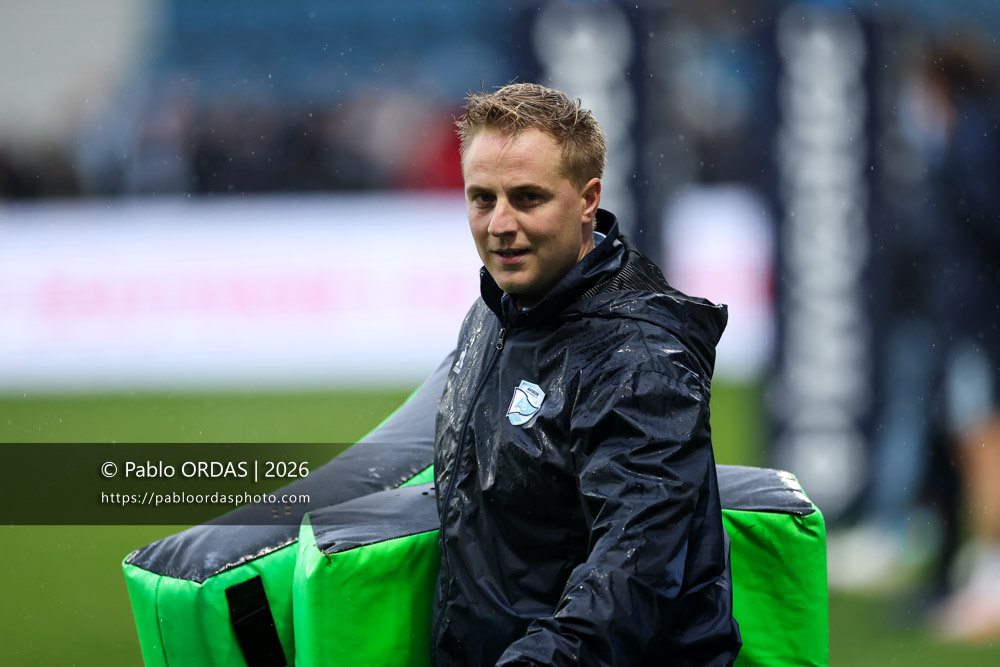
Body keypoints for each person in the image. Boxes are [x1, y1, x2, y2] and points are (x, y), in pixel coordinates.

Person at [431, 83, 742, 666]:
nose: (499, 224)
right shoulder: (497, 311)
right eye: (482, 198)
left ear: (587, 199)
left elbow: (633, 573)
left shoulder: (639, 360)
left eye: (527, 198)